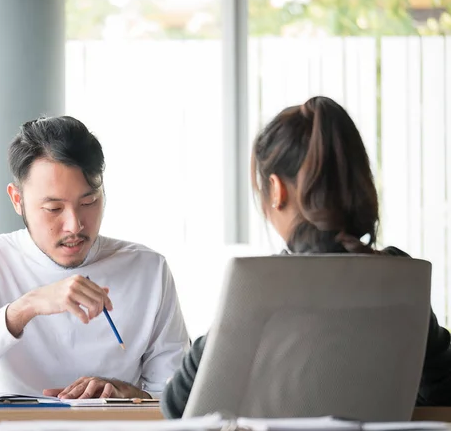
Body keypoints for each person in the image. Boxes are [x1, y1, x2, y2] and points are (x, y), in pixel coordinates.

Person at [161, 96, 451, 418]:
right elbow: (444, 387)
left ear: (276, 190)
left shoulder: (263, 283)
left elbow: (177, 403)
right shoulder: (399, 277)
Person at [0, 116, 189, 399]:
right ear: (17, 200)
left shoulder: (149, 269)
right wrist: (26, 307)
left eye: (88, 202)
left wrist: (131, 395)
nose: (75, 225)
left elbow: (177, 399)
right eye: (53, 208)